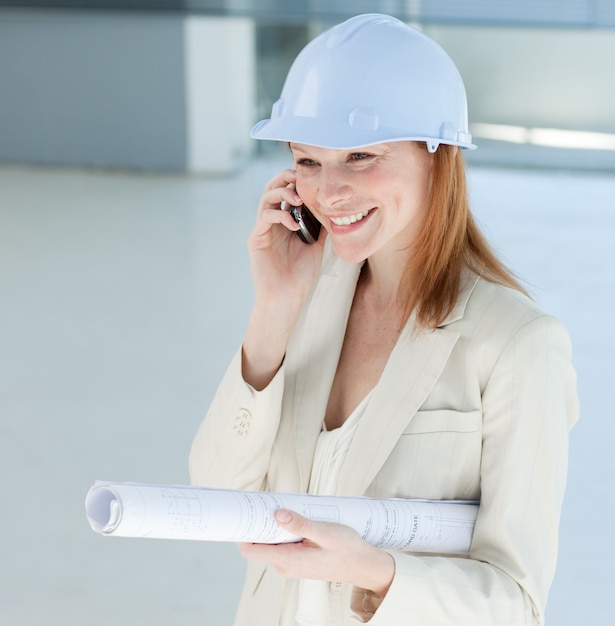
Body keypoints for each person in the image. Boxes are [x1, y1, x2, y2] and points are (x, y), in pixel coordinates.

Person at [189, 13, 578, 626]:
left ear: (437, 155)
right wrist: (274, 309)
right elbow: (216, 494)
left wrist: (374, 571)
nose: (329, 192)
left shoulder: (518, 344)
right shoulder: (307, 292)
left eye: (360, 156)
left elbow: (516, 604)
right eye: (307, 162)